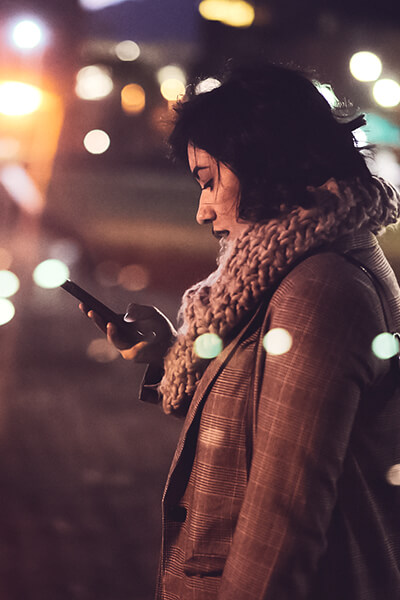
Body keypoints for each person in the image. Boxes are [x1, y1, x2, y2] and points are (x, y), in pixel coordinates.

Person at [82, 63, 400, 599]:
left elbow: (283, 521)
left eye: (208, 181)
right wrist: (168, 356)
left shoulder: (318, 291)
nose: (203, 211)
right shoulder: (300, 270)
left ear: (265, 166)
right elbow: (262, 409)